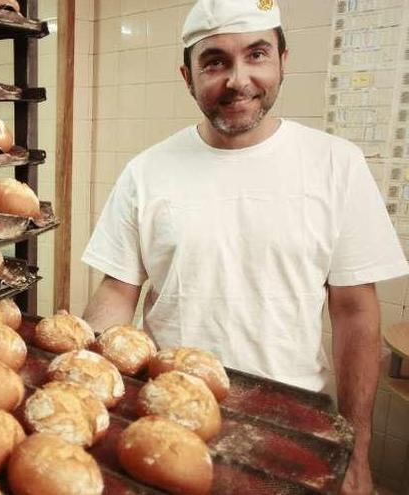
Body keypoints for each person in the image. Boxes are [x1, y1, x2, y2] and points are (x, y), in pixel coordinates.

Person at [81, 1, 408, 493]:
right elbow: (118, 290)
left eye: (256, 54)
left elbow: (356, 312)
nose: (238, 80)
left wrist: (356, 452)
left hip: (294, 425)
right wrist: (82, 388)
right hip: (169, 419)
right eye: (215, 62)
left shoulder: (336, 165)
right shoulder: (147, 171)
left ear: (282, 60)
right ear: (187, 77)